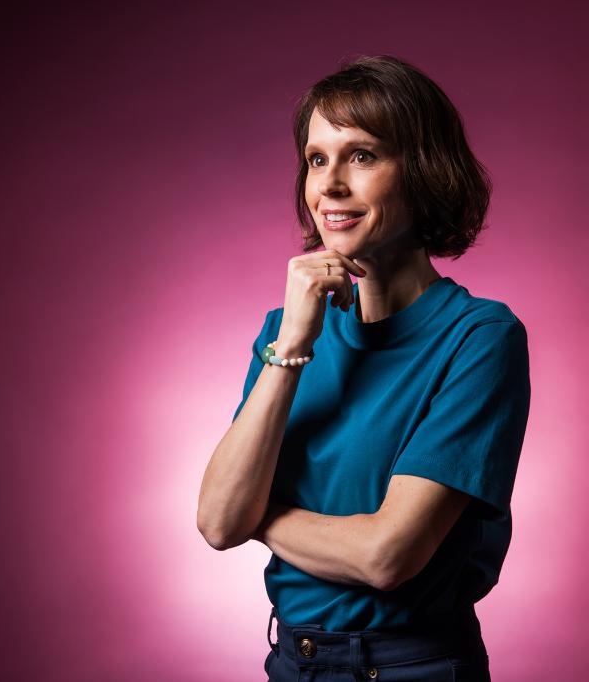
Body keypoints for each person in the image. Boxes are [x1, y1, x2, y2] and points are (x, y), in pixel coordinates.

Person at [197, 54, 531, 682]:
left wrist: (258, 517)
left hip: (413, 668)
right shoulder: (283, 332)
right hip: (292, 663)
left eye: (361, 155)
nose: (329, 185)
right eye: (316, 159)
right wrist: (293, 346)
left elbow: (387, 556)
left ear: (423, 172)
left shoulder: (479, 337)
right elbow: (217, 524)